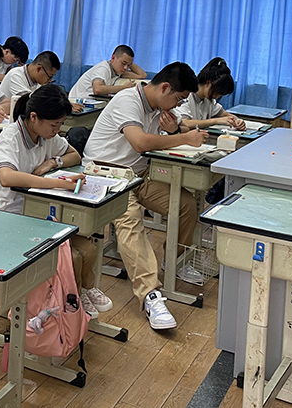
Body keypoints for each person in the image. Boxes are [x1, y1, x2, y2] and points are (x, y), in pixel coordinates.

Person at [83, 62, 206, 331]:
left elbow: (176, 130)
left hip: (138, 175)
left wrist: (176, 132)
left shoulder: (159, 107)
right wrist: (183, 139)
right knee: (130, 219)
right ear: (165, 88)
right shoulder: (128, 100)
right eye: (178, 98)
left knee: (186, 205)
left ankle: (172, 263)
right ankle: (150, 294)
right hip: (107, 176)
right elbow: (140, 142)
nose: (177, 105)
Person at [0, 85, 114, 317]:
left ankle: (81, 292)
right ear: (34, 117)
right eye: (54, 125)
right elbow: (7, 177)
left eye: (61, 125)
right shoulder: (11, 137)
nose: (57, 130)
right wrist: (60, 183)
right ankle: (70, 302)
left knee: (88, 247)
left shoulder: (45, 135)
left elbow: (74, 155)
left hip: (29, 209)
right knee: (72, 255)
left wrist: (52, 163)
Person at [174, 57, 246, 130]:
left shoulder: (208, 100)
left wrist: (237, 121)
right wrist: (215, 121)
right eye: (217, 92)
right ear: (208, 83)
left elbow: (226, 115)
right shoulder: (186, 96)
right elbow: (184, 122)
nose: (218, 96)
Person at [69, 45, 147, 101]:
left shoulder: (118, 71)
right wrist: (123, 87)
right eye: (123, 63)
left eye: (129, 65)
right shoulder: (103, 68)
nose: (126, 68)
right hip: (77, 102)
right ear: (113, 58)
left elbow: (142, 75)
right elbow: (98, 89)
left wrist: (129, 62)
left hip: (92, 102)